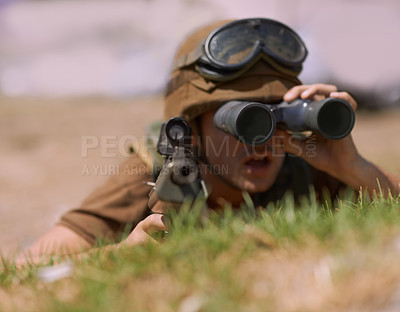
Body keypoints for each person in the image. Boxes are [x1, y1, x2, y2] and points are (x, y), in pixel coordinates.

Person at [17, 18, 400, 264]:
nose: (261, 143)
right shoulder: (154, 175)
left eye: (275, 117)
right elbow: (28, 266)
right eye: (241, 120)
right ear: (191, 130)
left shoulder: (307, 166)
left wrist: (354, 168)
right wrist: (120, 254)